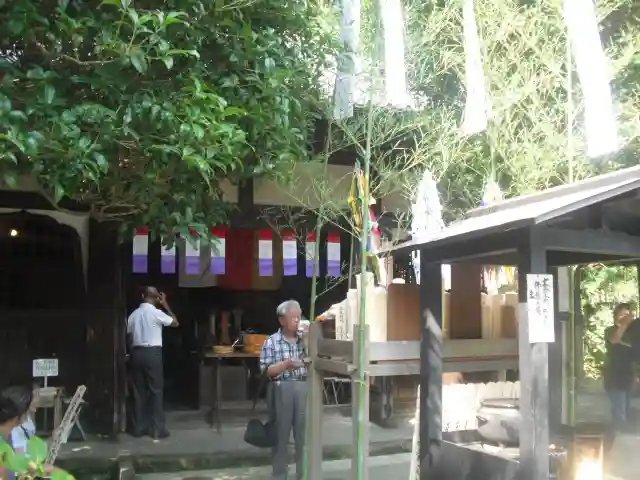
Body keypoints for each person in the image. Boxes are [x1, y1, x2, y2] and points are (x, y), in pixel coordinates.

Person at [260, 300, 308, 480]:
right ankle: (280, 475)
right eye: (293, 317)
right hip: (281, 388)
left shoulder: (305, 340)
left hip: (303, 387)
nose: (297, 321)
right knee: (280, 435)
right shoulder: (271, 342)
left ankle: (303, 474)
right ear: (282, 320)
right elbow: (266, 371)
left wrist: (308, 340)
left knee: (303, 436)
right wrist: (286, 365)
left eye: (299, 317)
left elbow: (315, 360)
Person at [127, 286, 179, 439]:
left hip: (136, 353)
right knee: (156, 391)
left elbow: (129, 337)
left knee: (138, 392)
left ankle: (138, 428)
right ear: (156, 298)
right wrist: (165, 304)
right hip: (152, 353)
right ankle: (157, 429)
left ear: (142, 296)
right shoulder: (157, 313)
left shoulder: (133, 315)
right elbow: (175, 323)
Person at [604, 302, 637, 431]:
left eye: (627, 314)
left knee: (626, 409)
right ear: (616, 316)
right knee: (620, 410)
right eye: (622, 314)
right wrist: (625, 323)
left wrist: (636, 375)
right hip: (613, 376)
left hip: (628, 375)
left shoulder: (632, 334)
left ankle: (620, 431)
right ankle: (618, 434)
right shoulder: (610, 330)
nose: (625, 317)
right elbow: (614, 340)